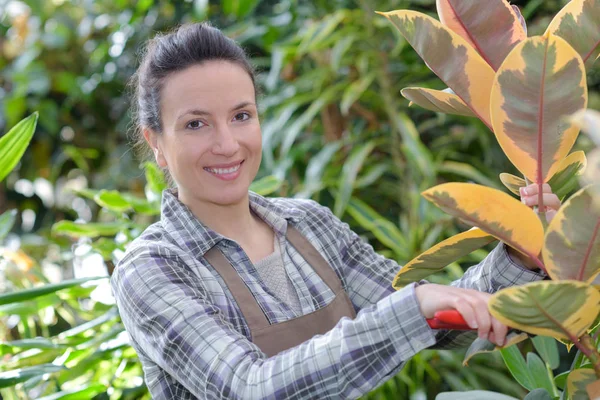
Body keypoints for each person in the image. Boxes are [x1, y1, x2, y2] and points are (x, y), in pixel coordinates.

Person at [110, 22, 561, 399]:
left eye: (241, 116)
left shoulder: (309, 225)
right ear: (157, 144)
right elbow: (249, 389)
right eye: (195, 124)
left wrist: (521, 255)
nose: (228, 144)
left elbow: (443, 325)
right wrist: (414, 307)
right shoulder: (152, 269)